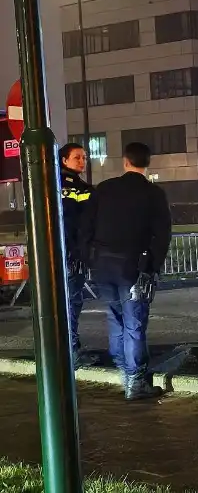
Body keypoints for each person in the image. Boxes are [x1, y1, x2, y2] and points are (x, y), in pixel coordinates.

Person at [78, 142, 172, 401]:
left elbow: (86, 226)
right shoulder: (153, 194)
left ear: (125, 161)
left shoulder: (105, 189)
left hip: (103, 266)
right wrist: (151, 267)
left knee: (115, 318)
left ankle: (124, 371)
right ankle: (136, 381)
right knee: (134, 324)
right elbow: (162, 236)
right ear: (147, 162)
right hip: (134, 267)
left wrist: (89, 257)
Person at [58, 142, 94, 368]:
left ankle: (69, 350)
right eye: (77, 157)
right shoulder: (77, 188)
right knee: (72, 303)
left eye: (84, 157)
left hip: (62, 254)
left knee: (66, 303)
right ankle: (72, 353)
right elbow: (78, 223)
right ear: (64, 160)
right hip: (73, 255)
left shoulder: (53, 183)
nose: (82, 161)